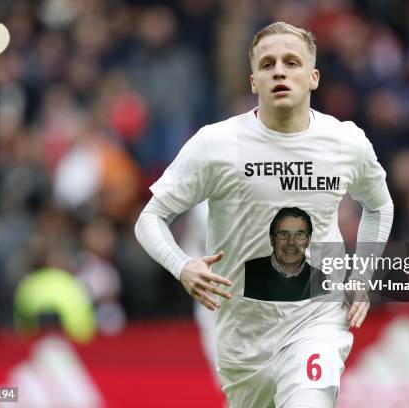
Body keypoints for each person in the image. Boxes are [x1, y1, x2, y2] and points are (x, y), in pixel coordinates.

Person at [135, 21, 394, 408]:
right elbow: (150, 218)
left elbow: (379, 205)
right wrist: (182, 266)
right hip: (243, 334)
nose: (279, 71)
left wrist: (362, 272)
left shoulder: (346, 142)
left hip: (317, 318)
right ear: (254, 81)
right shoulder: (215, 144)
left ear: (314, 77)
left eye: (292, 62)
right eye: (268, 64)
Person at [244, 207, 329, 302]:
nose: (291, 242)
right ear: (272, 239)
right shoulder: (246, 272)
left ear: (308, 240)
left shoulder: (319, 278)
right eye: (284, 234)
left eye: (299, 235)